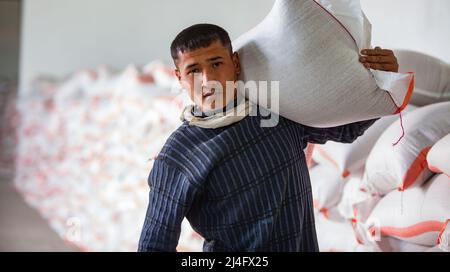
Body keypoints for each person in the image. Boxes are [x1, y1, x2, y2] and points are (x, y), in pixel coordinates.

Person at [138, 23, 399, 252]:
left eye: (216, 63)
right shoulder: (179, 155)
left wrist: (381, 77)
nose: (207, 80)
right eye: (193, 70)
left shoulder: (276, 114)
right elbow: (154, 245)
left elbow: (347, 129)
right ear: (179, 78)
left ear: (235, 63)